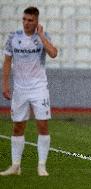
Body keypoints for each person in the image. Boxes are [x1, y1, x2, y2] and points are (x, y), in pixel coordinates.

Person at [0, 7, 57, 176]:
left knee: (42, 124)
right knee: (18, 126)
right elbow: (7, 62)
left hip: (39, 88)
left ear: (36, 22)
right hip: (20, 89)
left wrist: (41, 36)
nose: (26, 23)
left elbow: (53, 53)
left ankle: (41, 165)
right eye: (24, 19)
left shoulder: (43, 38)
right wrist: (5, 85)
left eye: (30, 20)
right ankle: (15, 165)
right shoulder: (13, 37)